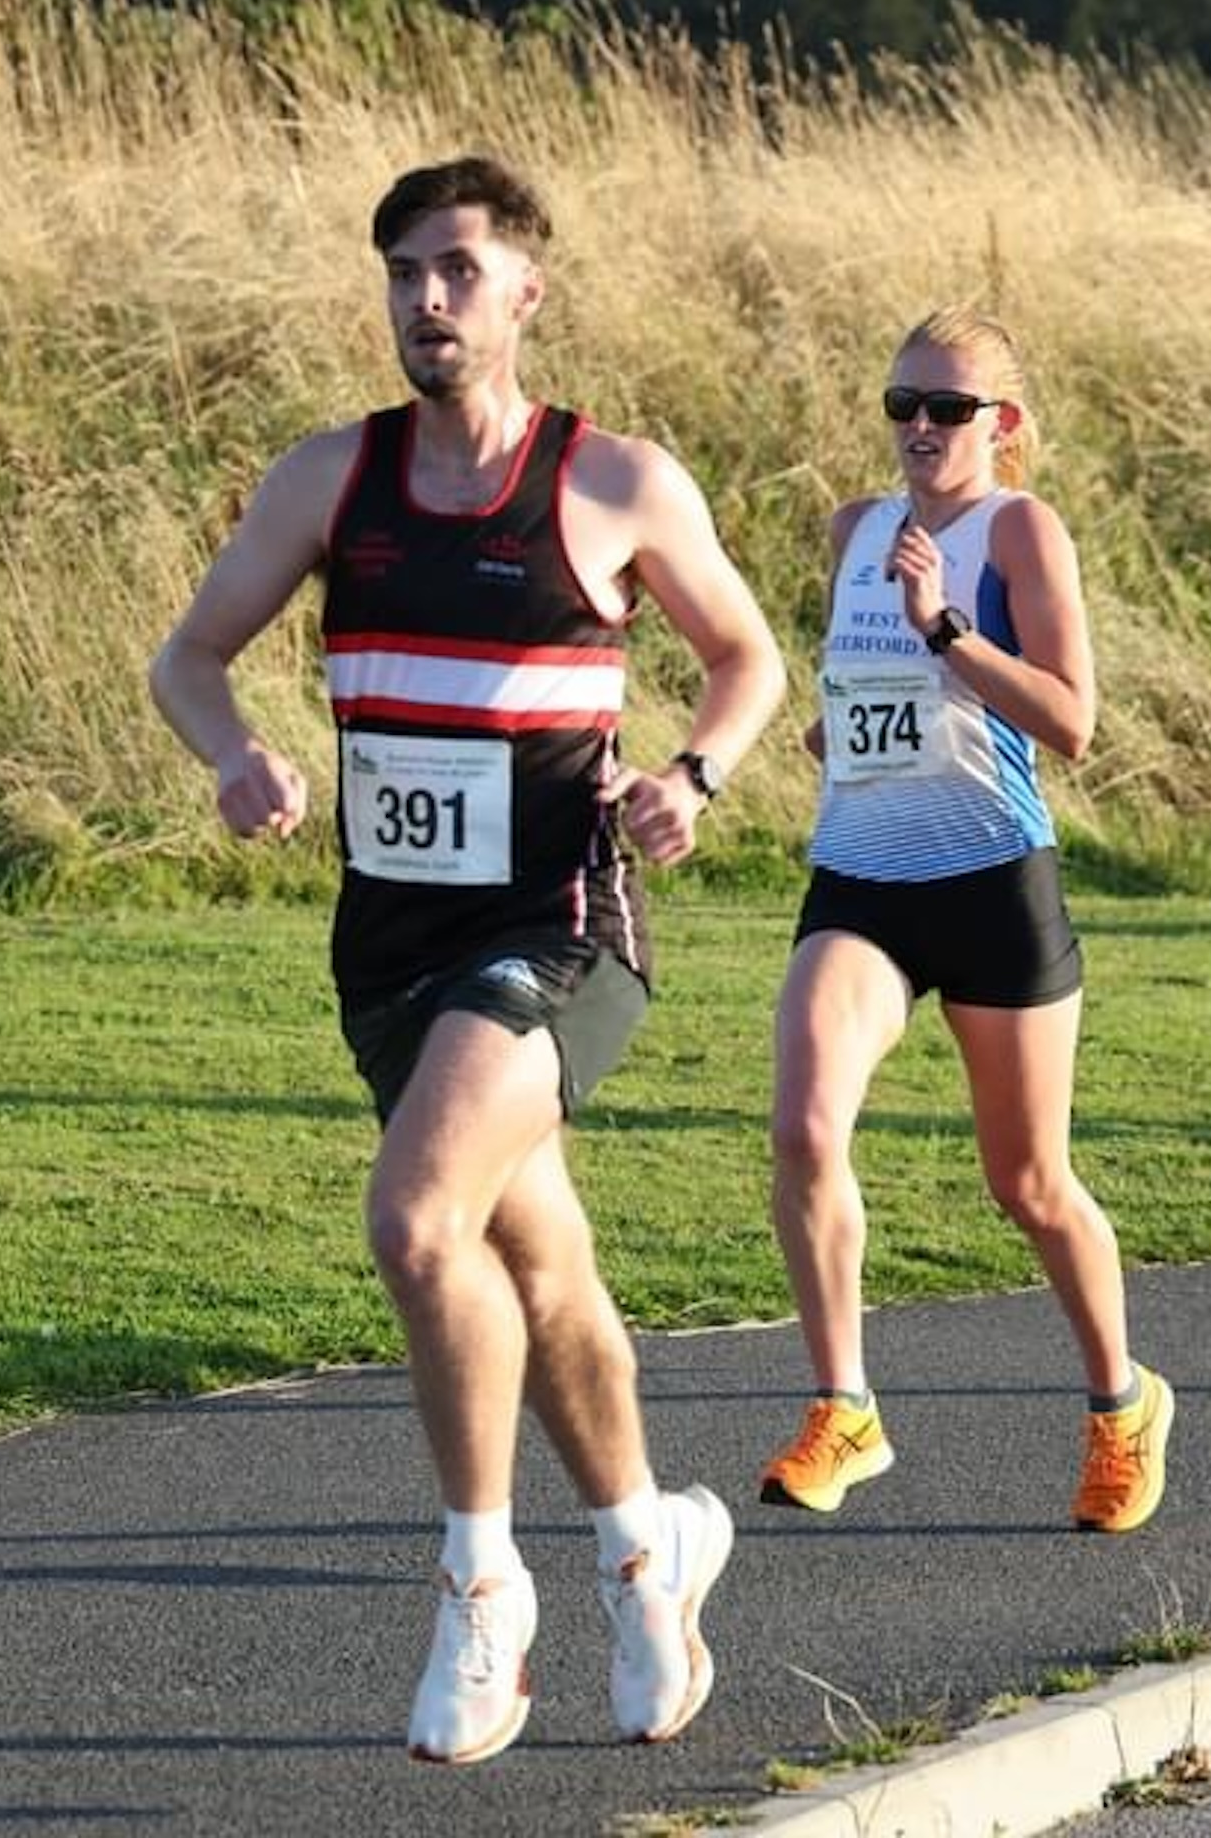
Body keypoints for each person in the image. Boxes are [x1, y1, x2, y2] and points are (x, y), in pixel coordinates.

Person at [148, 156, 785, 1764]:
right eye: (399, 276)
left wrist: (691, 775)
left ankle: (479, 1582)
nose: (422, 303)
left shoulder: (613, 483)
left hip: (559, 922)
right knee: (534, 1259)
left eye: (452, 271)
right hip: (390, 941)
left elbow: (745, 657)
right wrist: (234, 756)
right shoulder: (329, 480)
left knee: (417, 1217)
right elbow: (190, 655)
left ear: (523, 293)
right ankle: (651, 1549)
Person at [758, 306, 1175, 1532]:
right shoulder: (855, 531)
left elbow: (1071, 721)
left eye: (948, 409)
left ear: (1005, 424)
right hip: (862, 882)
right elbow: (856, 689)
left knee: (1029, 1181)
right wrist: (846, 719)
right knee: (804, 1122)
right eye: (903, 406)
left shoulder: (1021, 532)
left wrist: (948, 629)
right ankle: (845, 1405)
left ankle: (1121, 1405)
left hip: (993, 880)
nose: (921, 430)